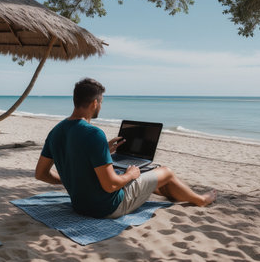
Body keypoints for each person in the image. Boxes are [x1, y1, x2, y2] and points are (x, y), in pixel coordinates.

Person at [35, 78, 216, 218]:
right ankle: (201, 200)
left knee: (156, 179)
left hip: (80, 205)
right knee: (165, 171)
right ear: (94, 104)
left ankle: (176, 193)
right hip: (108, 208)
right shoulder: (93, 134)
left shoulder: (56, 131)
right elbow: (111, 185)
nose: (101, 106)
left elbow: (41, 174)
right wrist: (131, 175)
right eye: (101, 102)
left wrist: (75, 178)